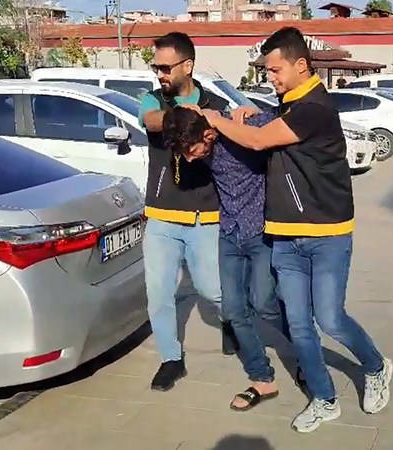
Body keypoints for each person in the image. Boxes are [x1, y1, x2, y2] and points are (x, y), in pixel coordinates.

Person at [198, 27, 393, 433]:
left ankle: (376, 367)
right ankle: (324, 399)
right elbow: (265, 123)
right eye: (267, 71)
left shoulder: (315, 108)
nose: (270, 77)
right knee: (301, 327)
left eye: (275, 70)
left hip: (327, 234)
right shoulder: (288, 105)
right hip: (285, 236)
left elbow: (257, 141)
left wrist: (215, 117)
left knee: (331, 319)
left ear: (301, 65)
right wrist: (248, 111)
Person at [163, 106, 295, 412]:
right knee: (234, 310)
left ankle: (306, 348)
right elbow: (191, 116)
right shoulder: (200, 131)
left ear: (208, 135)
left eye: (193, 151)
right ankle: (262, 377)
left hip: (260, 232)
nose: (191, 159)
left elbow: (286, 118)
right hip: (230, 233)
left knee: (265, 303)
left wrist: (254, 110)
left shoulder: (240, 128)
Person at [138, 32, 237, 392]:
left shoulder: (215, 103)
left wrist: (218, 119)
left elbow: (234, 136)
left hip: (205, 216)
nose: (160, 74)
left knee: (213, 290)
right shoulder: (154, 100)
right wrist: (180, 117)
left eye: (166, 68)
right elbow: (150, 120)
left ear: (188, 66)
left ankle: (232, 322)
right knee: (159, 294)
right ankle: (171, 359)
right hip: (161, 217)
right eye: (156, 67)